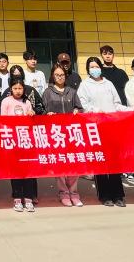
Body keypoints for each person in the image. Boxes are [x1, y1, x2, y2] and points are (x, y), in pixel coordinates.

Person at [77, 56, 126, 207]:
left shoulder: (108, 83)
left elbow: (117, 103)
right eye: (91, 67)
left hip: (111, 126)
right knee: (101, 160)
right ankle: (105, 195)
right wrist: (96, 110)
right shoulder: (84, 85)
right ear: (87, 69)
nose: (95, 69)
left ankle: (118, 195)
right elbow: (83, 105)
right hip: (96, 127)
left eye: (96, 66)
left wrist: (129, 110)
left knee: (114, 161)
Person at [43, 64, 84, 206]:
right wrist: (47, 114)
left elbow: (80, 108)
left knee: (73, 162)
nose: (59, 77)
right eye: (57, 75)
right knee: (60, 163)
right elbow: (42, 111)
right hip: (56, 133)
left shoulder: (71, 91)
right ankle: (63, 193)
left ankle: (74, 192)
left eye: (62, 75)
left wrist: (77, 111)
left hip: (71, 132)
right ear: (52, 77)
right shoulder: (47, 92)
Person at [1, 78, 38, 212]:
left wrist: (31, 113)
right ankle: (17, 198)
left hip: (26, 140)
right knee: (15, 171)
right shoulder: (6, 101)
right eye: (15, 88)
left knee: (28, 170)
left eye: (20, 88)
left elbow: (32, 119)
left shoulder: (27, 102)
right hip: (13, 140)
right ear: (11, 89)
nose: (18, 91)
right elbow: (3, 120)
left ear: (24, 89)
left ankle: (28, 199)